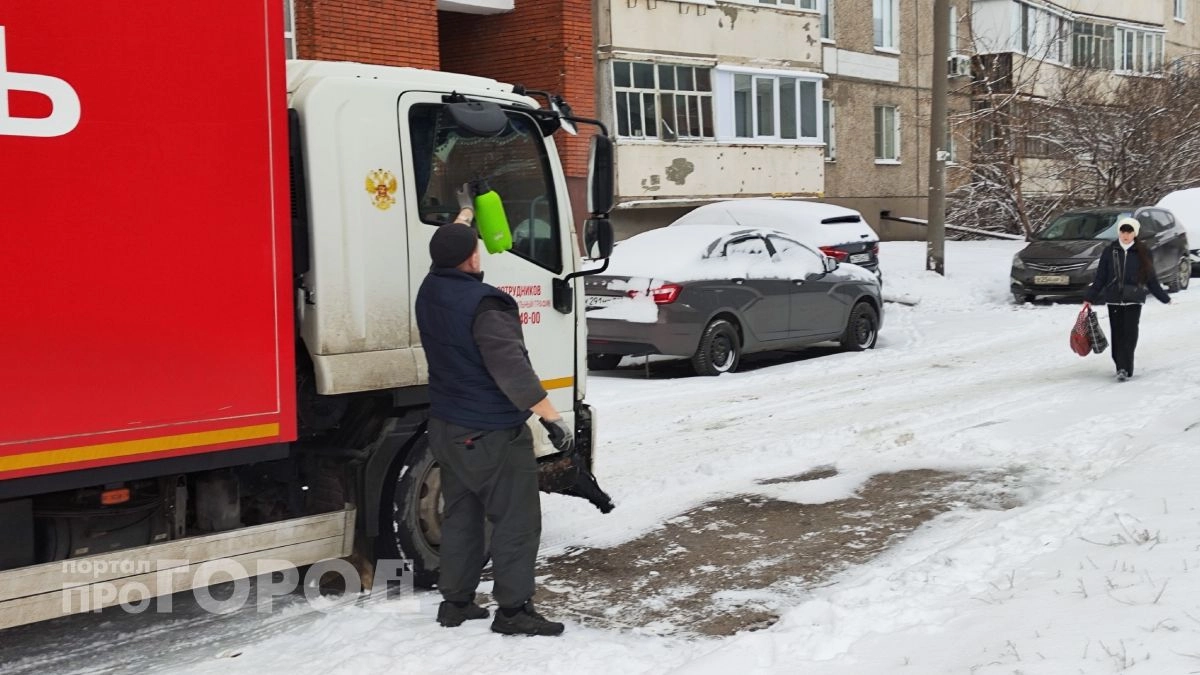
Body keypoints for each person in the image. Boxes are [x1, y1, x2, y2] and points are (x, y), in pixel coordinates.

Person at [414, 184, 573, 636]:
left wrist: (465, 213)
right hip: (489, 432)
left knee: (462, 514)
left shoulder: (432, 286)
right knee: (516, 520)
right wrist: (551, 416)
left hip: (447, 427)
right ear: (473, 259)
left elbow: (449, 243)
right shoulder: (486, 305)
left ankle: (456, 603)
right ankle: (513, 611)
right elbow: (513, 371)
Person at [1084, 216, 1171, 381]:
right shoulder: (1110, 251)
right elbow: (1101, 277)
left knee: (1130, 334)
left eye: (1129, 232)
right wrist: (1090, 296)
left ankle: (1126, 366)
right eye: (1123, 231)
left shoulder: (1143, 252)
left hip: (1134, 299)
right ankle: (1120, 367)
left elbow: (1151, 278)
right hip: (1114, 298)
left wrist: (1164, 297)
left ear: (1135, 233)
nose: (1125, 235)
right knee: (1117, 334)